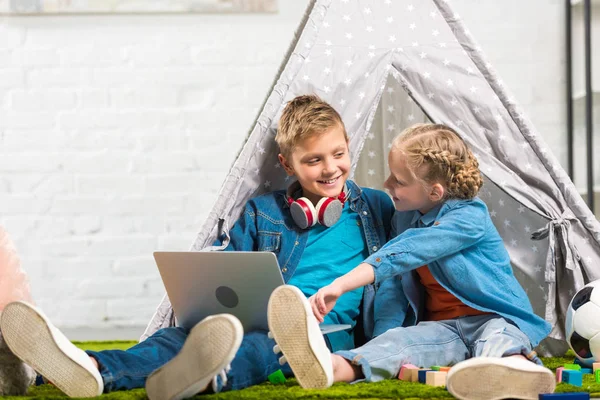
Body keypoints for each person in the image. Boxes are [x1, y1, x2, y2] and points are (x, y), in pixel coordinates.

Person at [0, 94, 397, 399]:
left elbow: (414, 245)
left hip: (322, 334)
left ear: (349, 147)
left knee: (262, 348)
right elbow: (230, 272)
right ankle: (91, 368)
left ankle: (197, 379)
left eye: (338, 154)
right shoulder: (264, 212)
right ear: (288, 165)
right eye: (313, 160)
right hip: (253, 318)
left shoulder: (375, 207)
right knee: (174, 338)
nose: (330, 168)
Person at [268, 123, 557, 400]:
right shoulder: (405, 217)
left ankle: (518, 371)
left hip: (492, 319)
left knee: (499, 339)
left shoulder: (469, 217)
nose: (386, 184)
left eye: (399, 180)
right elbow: (393, 287)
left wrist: (340, 285)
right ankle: (331, 367)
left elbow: (406, 252)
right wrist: (383, 336)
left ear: (435, 192)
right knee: (398, 344)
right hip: (443, 330)